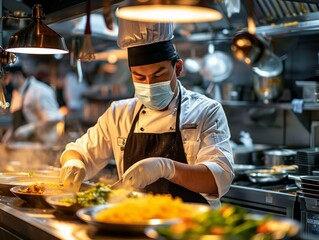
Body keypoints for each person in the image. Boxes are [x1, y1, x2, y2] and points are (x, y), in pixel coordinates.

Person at [59, 19, 234, 207]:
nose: (149, 85)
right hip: (134, 220)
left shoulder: (206, 111)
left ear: (178, 68)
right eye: (139, 77)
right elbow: (78, 152)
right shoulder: (119, 113)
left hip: (189, 225)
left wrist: (166, 168)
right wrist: (73, 164)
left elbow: (219, 179)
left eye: (158, 75)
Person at [1, 64, 63, 145]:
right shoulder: (16, 94)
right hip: (25, 146)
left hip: (44, 146)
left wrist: (31, 128)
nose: (5, 83)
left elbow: (55, 118)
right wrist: (9, 135)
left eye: (6, 78)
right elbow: (17, 122)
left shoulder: (40, 91)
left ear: (17, 75)